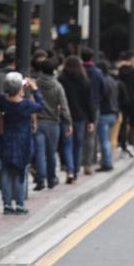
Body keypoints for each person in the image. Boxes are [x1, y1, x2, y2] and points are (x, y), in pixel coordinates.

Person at [0, 74, 43, 214]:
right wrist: (34, 89)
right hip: (23, 144)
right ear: (19, 89)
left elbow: (5, 95)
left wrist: (16, 87)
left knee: (6, 173)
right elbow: (41, 106)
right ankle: (20, 205)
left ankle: (7, 205)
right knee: (20, 173)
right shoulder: (26, 105)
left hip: (5, 141)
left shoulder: (3, 100)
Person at [34, 58, 71, 190]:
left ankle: (40, 179)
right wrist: (68, 122)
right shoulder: (57, 86)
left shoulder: (36, 84)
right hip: (53, 123)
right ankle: (51, 179)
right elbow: (64, 106)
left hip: (38, 122)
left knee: (39, 152)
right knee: (51, 153)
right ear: (54, 70)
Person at [58, 56, 94, 184]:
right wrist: (91, 120)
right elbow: (89, 102)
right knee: (78, 144)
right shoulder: (85, 80)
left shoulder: (61, 79)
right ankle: (76, 170)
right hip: (80, 117)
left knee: (67, 144)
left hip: (65, 116)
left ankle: (70, 170)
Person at [80, 49, 105, 176]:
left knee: (77, 135)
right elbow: (103, 89)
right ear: (92, 58)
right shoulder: (97, 72)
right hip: (93, 107)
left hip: (78, 107)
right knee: (90, 136)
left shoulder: (77, 71)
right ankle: (88, 164)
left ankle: (75, 163)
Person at [96, 61, 121, 172]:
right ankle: (106, 160)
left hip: (104, 113)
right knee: (110, 139)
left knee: (104, 140)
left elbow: (100, 97)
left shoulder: (102, 81)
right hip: (113, 113)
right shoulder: (113, 81)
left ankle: (107, 163)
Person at [116, 51, 134, 151]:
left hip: (122, 99)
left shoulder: (120, 70)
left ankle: (122, 141)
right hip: (133, 98)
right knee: (133, 121)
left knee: (123, 121)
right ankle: (131, 139)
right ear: (131, 59)